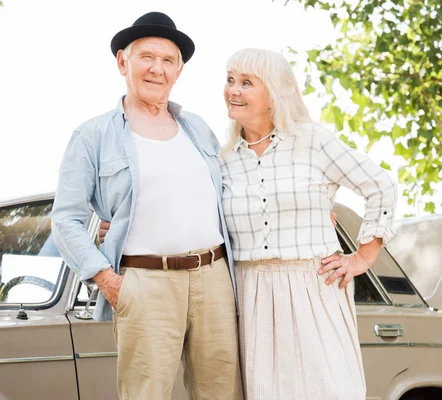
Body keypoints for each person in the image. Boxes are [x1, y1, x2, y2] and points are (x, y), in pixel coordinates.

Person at [51, 12, 242, 400]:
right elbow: (65, 218)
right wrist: (107, 280)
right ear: (123, 62)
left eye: (168, 60)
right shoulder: (92, 135)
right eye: (146, 57)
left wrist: (309, 204)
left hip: (215, 278)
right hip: (145, 282)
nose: (157, 68)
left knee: (219, 393)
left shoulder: (199, 129)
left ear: (179, 70)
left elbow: (236, 191)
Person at [221, 48, 398, 399]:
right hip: (251, 294)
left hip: (313, 288)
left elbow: (381, 186)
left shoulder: (312, 141)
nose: (233, 91)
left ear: (273, 93)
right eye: (229, 81)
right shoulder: (223, 158)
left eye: (246, 83)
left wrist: (362, 257)